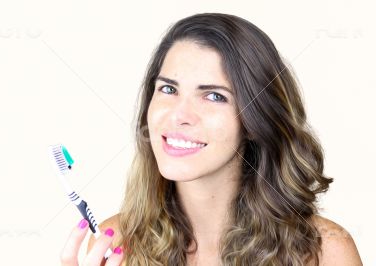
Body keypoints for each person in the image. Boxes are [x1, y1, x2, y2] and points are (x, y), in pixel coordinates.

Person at [60, 13, 362, 266]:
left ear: (255, 119)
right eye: (168, 89)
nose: (180, 115)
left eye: (214, 96)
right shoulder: (114, 245)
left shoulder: (326, 252)